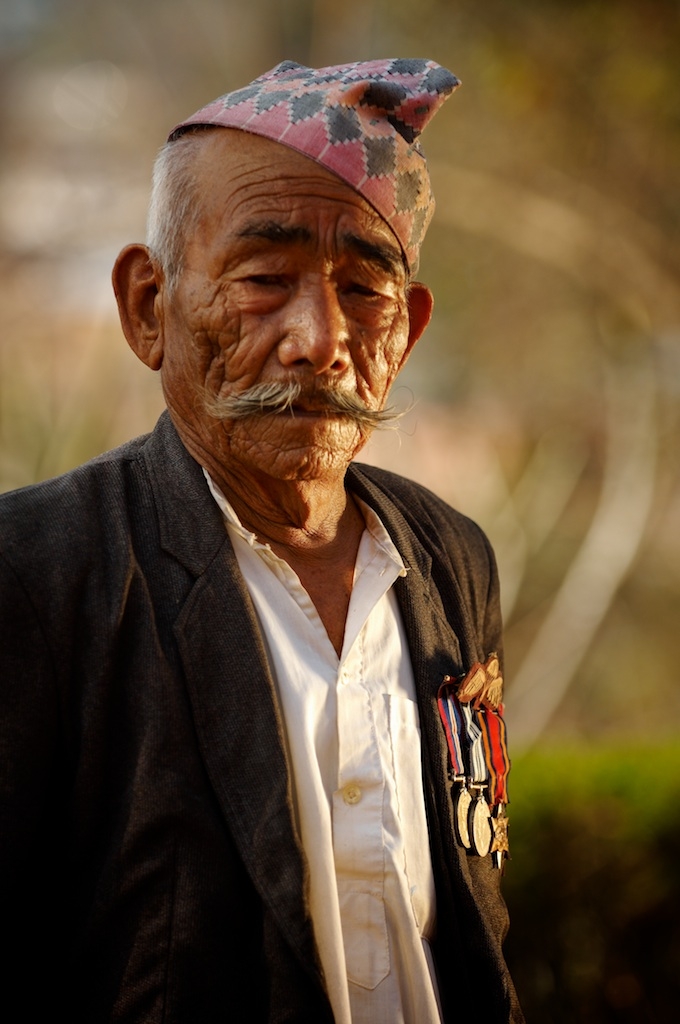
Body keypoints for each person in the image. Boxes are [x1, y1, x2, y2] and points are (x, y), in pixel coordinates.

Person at [0, 59, 523, 1023]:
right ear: (148, 306)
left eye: (364, 290)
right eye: (264, 279)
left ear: (404, 332)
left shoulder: (451, 557)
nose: (318, 337)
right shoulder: (34, 572)